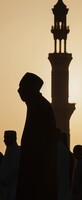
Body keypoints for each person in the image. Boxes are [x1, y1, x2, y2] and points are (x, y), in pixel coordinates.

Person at [16, 72, 58, 200]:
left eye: (22, 87)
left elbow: (40, 144)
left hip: (38, 171)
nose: (19, 91)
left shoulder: (40, 107)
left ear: (30, 88)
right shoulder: (36, 105)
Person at [0, 131, 21, 200]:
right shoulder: (10, 150)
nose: (4, 140)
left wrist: (4, 180)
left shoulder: (16, 151)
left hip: (12, 187)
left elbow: (13, 169)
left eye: (6, 138)